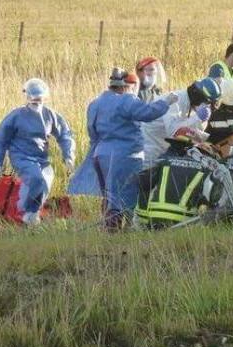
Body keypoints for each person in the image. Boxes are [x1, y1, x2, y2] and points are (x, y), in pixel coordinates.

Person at [68, 68, 176, 231]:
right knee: (125, 193)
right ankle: (118, 231)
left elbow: (92, 130)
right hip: (126, 155)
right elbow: (148, 113)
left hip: (100, 154)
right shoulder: (126, 101)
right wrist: (166, 102)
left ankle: (109, 227)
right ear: (127, 85)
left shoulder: (96, 103)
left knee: (109, 195)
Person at [0, 78, 75, 225]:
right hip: (21, 157)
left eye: (40, 101)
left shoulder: (50, 115)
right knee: (36, 179)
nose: (37, 104)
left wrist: (69, 156)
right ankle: (27, 215)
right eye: (34, 101)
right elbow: (0, 138)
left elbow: (65, 135)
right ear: (27, 98)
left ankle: (30, 213)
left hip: (41, 159)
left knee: (46, 182)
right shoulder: (16, 116)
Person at [136, 130, 217, 229]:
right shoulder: (207, 169)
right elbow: (211, 200)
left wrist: (143, 220)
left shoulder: (164, 161)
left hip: (155, 218)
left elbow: (142, 182)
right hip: (185, 221)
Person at [141, 77, 222, 169]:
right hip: (149, 145)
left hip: (162, 145)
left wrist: (204, 134)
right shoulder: (175, 100)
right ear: (198, 97)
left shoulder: (191, 104)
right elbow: (174, 132)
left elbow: (191, 130)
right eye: (207, 103)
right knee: (145, 179)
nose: (207, 107)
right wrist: (197, 118)